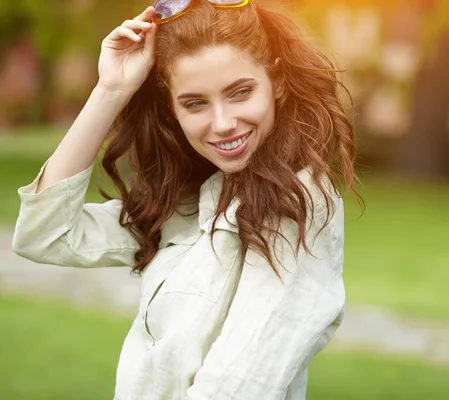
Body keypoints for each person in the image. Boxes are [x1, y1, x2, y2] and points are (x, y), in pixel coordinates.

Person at [12, 0, 360, 399]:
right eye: (195, 103)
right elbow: (45, 235)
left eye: (240, 92)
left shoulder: (297, 202)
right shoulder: (189, 200)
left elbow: (238, 387)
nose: (223, 123)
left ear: (276, 82)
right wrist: (111, 90)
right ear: (171, 107)